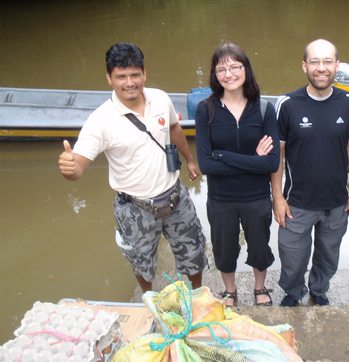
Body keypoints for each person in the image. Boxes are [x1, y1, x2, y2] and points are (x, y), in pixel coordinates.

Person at [58, 42, 208, 292]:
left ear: (144, 74)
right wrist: (70, 168)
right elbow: (79, 165)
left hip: (175, 197)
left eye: (135, 74)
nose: (129, 82)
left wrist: (190, 159)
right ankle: (150, 299)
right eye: (121, 76)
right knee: (141, 264)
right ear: (109, 78)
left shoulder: (160, 98)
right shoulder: (100, 121)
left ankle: (198, 295)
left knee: (194, 253)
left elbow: (174, 128)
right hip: (135, 208)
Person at [272, 39, 349, 307]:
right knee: (292, 255)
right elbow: (277, 154)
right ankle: (293, 291)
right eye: (314, 61)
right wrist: (277, 196)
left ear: (336, 65)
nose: (321, 68)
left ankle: (319, 289)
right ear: (304, 66)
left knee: (328, 254)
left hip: (336, 202)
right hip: (296, 202)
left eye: (327, 62)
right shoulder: (287, 104)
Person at [195, 43, 279, 307]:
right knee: (224, 248)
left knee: (259, 245)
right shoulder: (205, 109)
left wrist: (224, 155)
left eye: (235, 67)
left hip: (256, 196)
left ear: (246, 70)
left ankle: (260, 287)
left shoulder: (264, 109)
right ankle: (230, 290)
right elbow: (206, 165)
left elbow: (272, 161)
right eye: (222, 68)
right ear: (214, 74)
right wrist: (254, 160)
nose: (228, 74)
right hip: (222, 198)